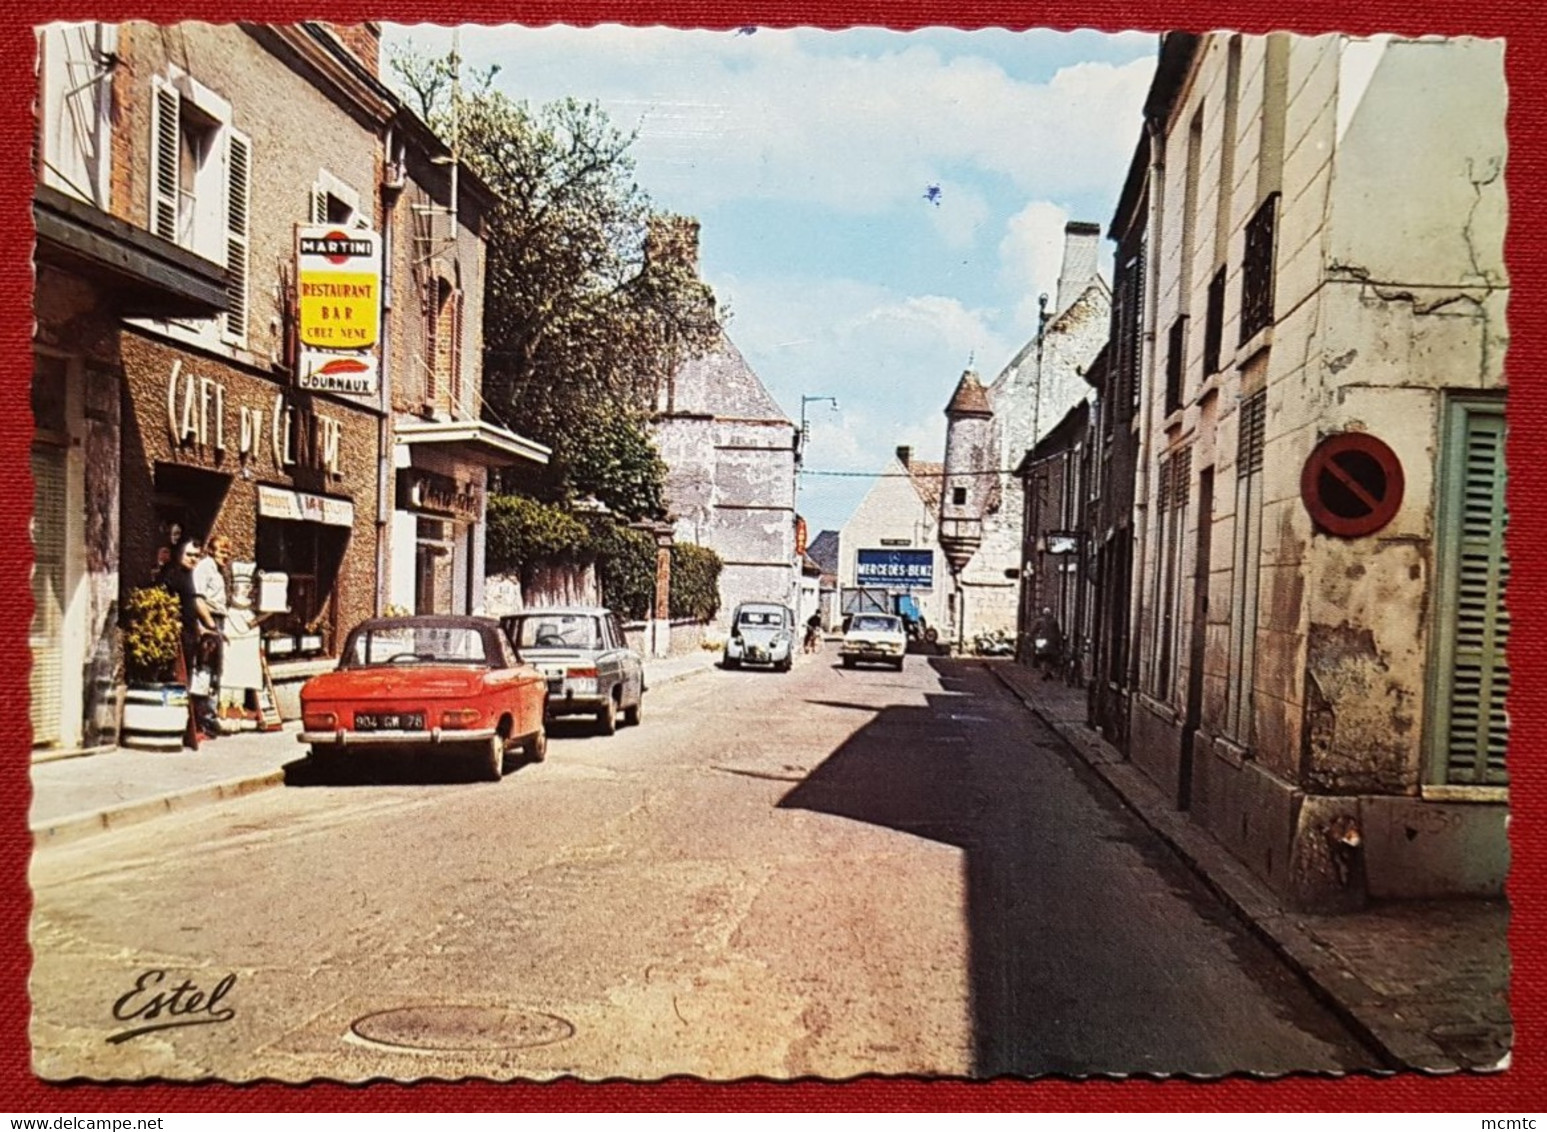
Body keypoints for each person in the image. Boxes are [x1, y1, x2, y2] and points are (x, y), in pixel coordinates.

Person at [163, 537, 219, 740]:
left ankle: (187, 724)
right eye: (189, 555)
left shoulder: (188, 575)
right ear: (179, 554)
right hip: (177, 636)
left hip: (188, 633)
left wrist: (199, 629)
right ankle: (181, 726)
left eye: (197, 556)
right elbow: (193, 603)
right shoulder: (174, 575)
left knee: (188, 678)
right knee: (180, 678)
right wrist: (212, 626)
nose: (194, 559)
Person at [193, 536, 233, 735]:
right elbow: (198, 598)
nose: (225, 556)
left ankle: (210, 715)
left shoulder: (218, 570)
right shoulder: (204, 568)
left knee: (216, 670)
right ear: (211, 550)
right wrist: (210, 625)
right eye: (221, 551)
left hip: (219, 619)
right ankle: (204, 718)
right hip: (208, 619)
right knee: (205, 669)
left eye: (227, 553)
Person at [1030, 606, 1064, 681]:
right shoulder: (1054, 621)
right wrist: (1058, 641)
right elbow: (1058, 632)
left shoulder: (1039, 621)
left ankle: (1045, 672)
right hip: (1052, 642)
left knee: (1042, 657)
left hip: (1042, 642)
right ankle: (1048, 672)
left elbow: (1033, 630)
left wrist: (1032, 637)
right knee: (1050, 658)